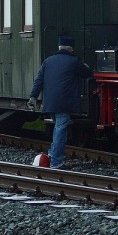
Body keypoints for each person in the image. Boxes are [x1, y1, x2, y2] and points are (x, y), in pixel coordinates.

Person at [28, 34, 93, 169]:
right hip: (64, 102)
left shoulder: (48, 61)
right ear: (71, 49)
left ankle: (53, 156)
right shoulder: (74, 61)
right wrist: (86, 65)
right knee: (60, 130)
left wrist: (33, 97)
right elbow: (87, 73)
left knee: (58, 128)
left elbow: (38, 80)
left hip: (50, 102)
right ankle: (56, 162)